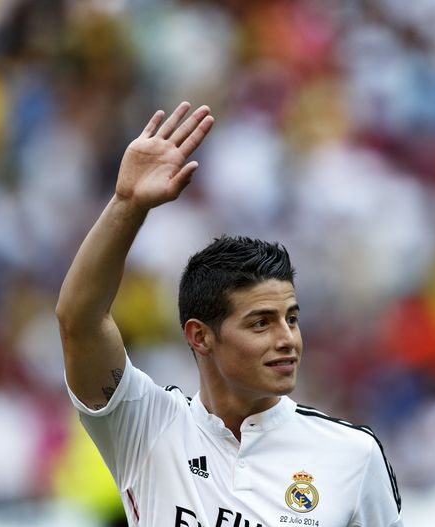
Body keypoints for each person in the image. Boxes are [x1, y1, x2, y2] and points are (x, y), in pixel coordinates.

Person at [56, 102, 403, 527]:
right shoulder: (147, 427)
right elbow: (79, 322)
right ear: (200, 336)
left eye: (292, 319)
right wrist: (127, 204)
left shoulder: (353, 456)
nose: (287, 339)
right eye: (261, 323)